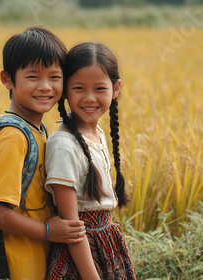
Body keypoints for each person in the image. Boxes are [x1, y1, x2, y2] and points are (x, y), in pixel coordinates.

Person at [0, 27, 86, 280]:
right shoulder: (12, 137)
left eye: (55, 77)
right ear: (7, 79)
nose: (45, 87)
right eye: (33, 77)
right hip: (10, 269)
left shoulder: (37, 130)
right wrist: (47, 230)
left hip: (33, 265)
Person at [45, 41, 137, 280]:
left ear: (116, 89)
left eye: (99, 89)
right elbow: (72, 228)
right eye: (78, 88)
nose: (89, 98)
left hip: (106, 245)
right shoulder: (64, 146)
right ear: (65, 89)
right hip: (82, 256)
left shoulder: (96, 134)